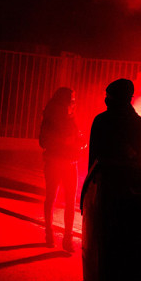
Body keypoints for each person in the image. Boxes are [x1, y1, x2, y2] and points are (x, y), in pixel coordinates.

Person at [39, 87, 84, 252]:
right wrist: (65, 141)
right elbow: (43, 140)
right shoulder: (52, 115)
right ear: (63, 99)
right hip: (55, 162)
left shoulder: (70, 116)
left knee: (70, 202)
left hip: (70, 162)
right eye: (71, 99)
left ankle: (66, 237)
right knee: (52, 197)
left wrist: (79, 141)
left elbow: (75, 137)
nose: (74, 102)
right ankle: (50, 233)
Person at [88, 78, 141, 169]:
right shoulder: (140, 124)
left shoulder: (101, 120)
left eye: (109, 96)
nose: (106, 99)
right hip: (132, 179)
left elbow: (94, 155)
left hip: (105, 178)